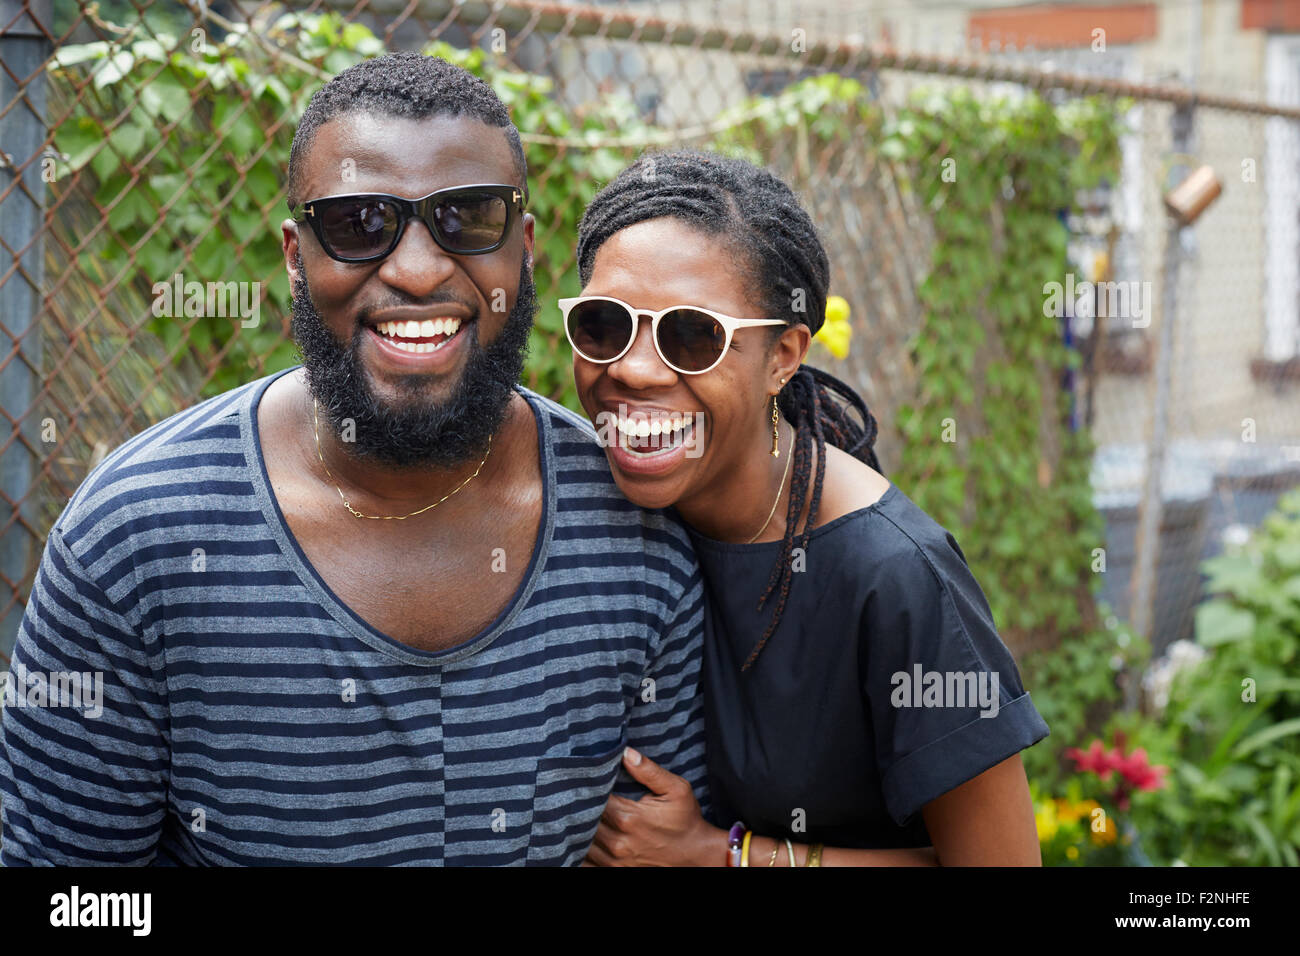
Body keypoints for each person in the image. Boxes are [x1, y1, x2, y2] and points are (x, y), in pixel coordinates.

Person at [0, 53, 707, 866]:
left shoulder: (633, 526)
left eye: (469, 218)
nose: (416, 270)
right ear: (297, 257)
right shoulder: (134, 538)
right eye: (360, 223)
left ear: (525, 249)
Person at [570, 150, 1049, 866]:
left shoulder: (895, 576)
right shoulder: (598, 507)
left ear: (784, 355)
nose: (633, 369)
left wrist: (723, 856)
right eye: (605, 326)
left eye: (693, 337)